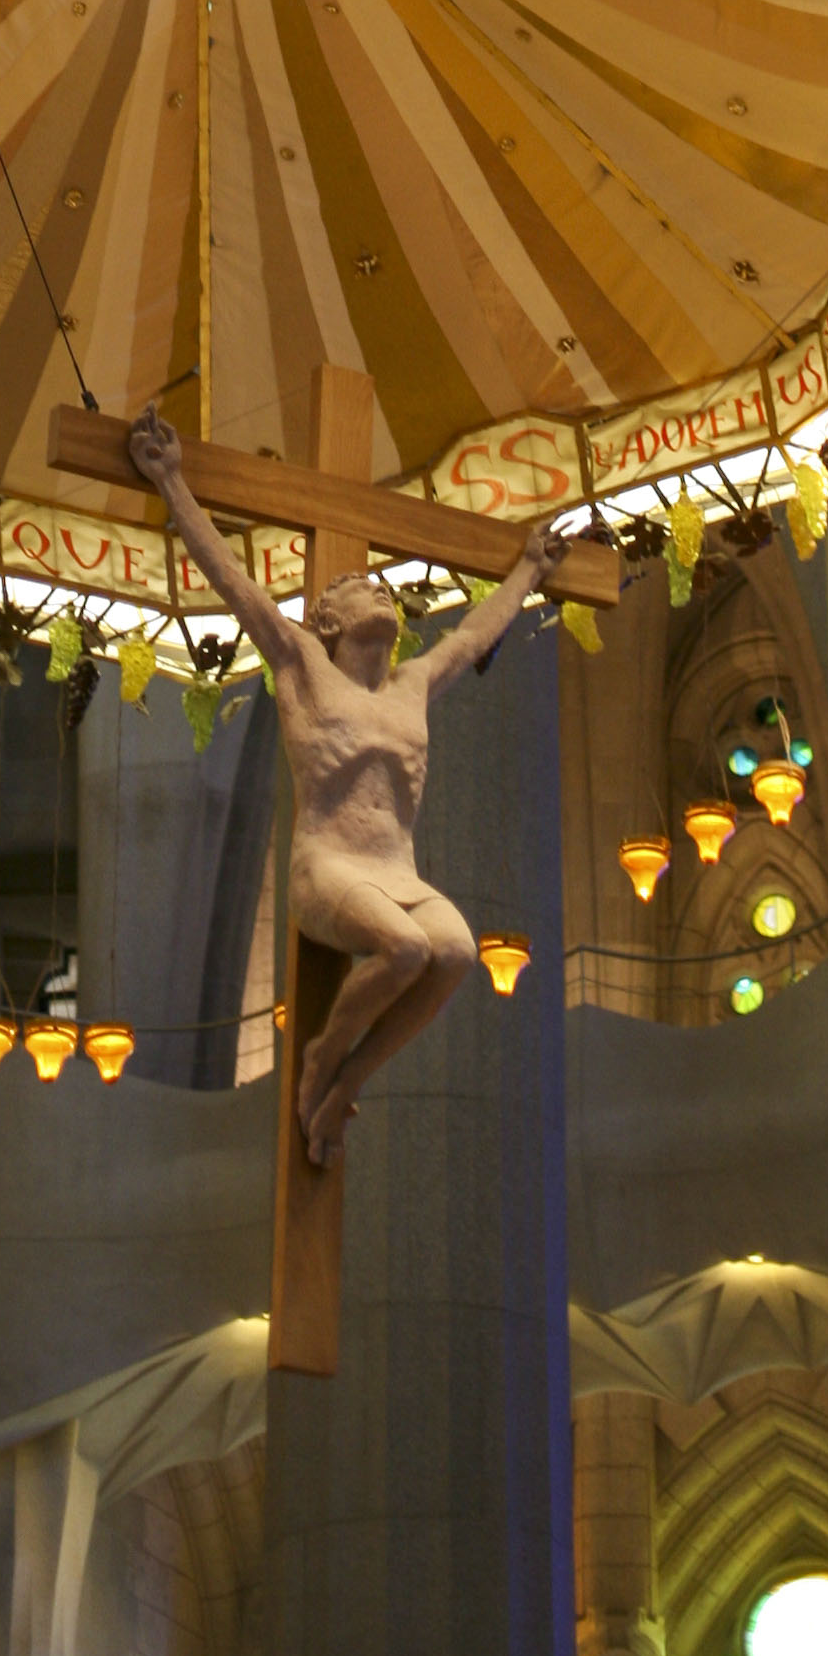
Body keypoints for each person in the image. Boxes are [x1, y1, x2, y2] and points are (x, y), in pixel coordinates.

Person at [126, 407, 555, 1161]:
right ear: (326, 620)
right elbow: (232, 581)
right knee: (406, 950)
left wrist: (530, 570)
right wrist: (172, 482)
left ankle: (348, 1077)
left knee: (455, 952)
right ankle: (324, 1055)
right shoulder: (302, 664)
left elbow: (472, 637)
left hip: (397, 870)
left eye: (383, 587)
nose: (380, 590)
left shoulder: (414, 683)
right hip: (327, 867)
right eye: (361, 587)